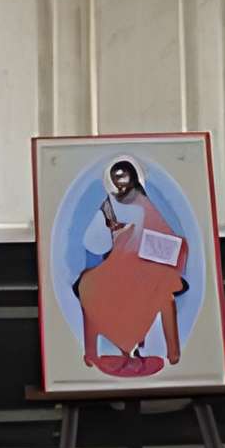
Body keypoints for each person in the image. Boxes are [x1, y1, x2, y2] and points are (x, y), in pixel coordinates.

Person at [73, 158, 190, 376]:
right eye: (116, 177)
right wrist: (116, 232)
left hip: (147, 268)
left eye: (124, 175)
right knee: (89, 287)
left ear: (133, 176)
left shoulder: (145, 204)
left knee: (164, 294)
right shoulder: (108, 205)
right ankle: (97, 353)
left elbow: (164, 235)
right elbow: (93, 242)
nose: (120, 181)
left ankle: (172, 352)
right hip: (116, 265)